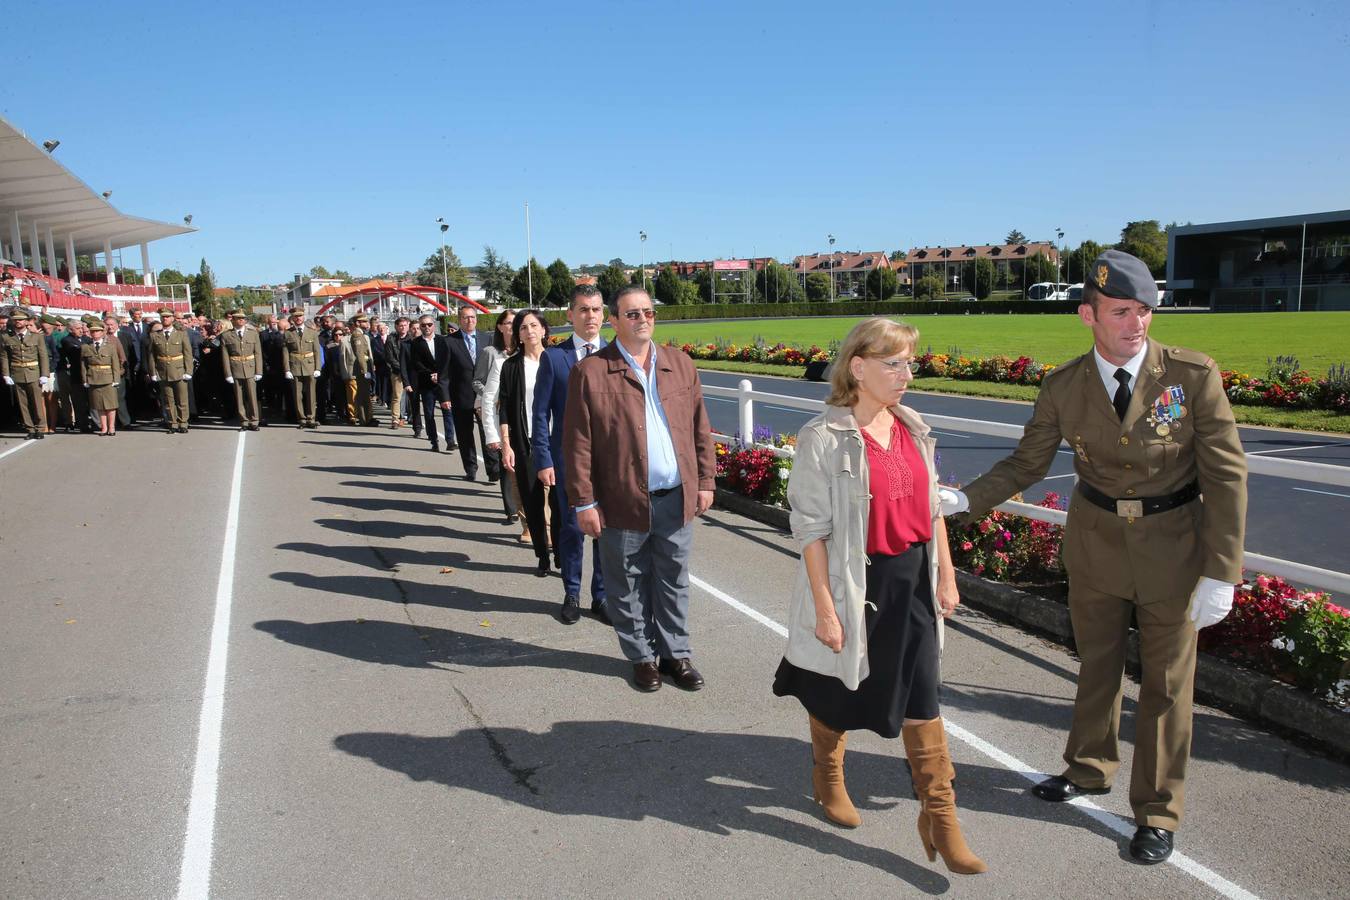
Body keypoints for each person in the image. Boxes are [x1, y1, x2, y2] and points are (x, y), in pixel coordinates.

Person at [953, 249, 1248, 865]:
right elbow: (1026, 463)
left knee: (1167, 687)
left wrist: (1222, 571)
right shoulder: (1063, 385)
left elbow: (1227, 477)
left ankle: (1158, 812)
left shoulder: (1191, 376)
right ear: (1088, 314)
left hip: (1174, 548)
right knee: (1097, 667)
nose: (1136, 323)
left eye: (1143, 310)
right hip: (1095, 544)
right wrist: (962, 498)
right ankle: (1087, 769)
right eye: (1121, 311)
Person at [771, 318, 985, 875]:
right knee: (836, 690)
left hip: (912, 582)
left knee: (923, 696)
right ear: (857, 368)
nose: (906, 374)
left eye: (909, 362)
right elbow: (811, 531)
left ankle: (940, 816)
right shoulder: (824, 436)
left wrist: (946, 574)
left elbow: (933, 508)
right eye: (893, 363)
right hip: (854, 584)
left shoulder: (913, 426)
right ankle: (828, 773)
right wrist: (824, 608)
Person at [563, 286, 716, 693]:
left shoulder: (680, 365)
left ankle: (675, 655)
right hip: (622, 501)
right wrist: (584, 502)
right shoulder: (591, 372)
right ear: (614, 320)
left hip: (675, 497)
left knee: (673, 580)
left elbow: (700, 428)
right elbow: (578, 443)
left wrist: (705, 481)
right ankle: (642, 657)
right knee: (627, 582)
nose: (643, 319)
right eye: (632, 314)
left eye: (648, 312)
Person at [533, 284, 609, 625]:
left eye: (595, 309)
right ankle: (572, 593)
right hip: (568, 462)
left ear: (604, 314)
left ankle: (603, 596)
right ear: (570, 315)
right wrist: (544, 459)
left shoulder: (615, 356)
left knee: (606, 531)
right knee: (571, 528)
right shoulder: (554, 357)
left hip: (609, 464)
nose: (589, 316)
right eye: (583, 309)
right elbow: (540, 413)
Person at [492, 309, 553, 577]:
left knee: (560, 503)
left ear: (543, 330)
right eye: (523, 327)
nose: (529, 331)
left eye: (534, 325)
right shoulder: (511, 365)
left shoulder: (557, 360)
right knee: (532, 500)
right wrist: (506, 444)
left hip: (555, 438)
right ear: (517, 334)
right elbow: (504, 407)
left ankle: (560, 550)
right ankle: (542, 553)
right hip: (525, 441)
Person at [476, 309, 522, 529]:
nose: (512, 327)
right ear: (500, 326)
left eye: (515, 323)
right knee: (507, 467)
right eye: (508, 323)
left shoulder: (528, 351)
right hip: (500, 415)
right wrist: (494, 398)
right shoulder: (492, 353)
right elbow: (479, 383)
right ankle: (512, 509)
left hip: (525, 421)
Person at [444, 305, 491, 480]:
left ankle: (492, 468)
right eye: (465, 317)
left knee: (488, 432)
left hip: (483, 393)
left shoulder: (487, 338)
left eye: (472, 317)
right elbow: (444, 373)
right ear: (459, 320)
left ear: (476, 319)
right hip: (460, 394)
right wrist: (445, 397)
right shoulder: (449, 341)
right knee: (464, 434)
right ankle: (470, 468)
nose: (469, 320)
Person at [408, 315, 456, 453]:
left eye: (429, 324)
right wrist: (431, 374)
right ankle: (434, 440)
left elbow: (448, 360)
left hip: (443, 382)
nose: (426, 327)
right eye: (423, 325)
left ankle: (450, 440)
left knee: (447, 410)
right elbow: (416, 363)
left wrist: (440, 375)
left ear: (434, 325)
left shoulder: (443, 340)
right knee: (429, 414)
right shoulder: (415, 343)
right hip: (426, 383)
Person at [1, 309, 51, 438]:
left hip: (33, 372)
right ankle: (30, 429)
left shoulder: (36, 336)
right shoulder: (7, 337)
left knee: (36, 402)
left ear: (26, 321)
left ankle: (40, 428)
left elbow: (43, 356)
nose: (18, 322)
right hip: (17, 372)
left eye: (21, 319)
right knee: (23, 404)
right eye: (16, 319)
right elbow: (4, 356)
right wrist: (6, 374)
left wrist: (44, 374)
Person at [147, 307, 194, 433]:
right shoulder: (154, 336)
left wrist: (188, 371)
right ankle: (172, 423)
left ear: (172, 319)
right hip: (163, 371)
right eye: (163, 317)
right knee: (168, 400)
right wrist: (153, 372)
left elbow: (188, 354)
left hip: (179, 370)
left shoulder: (181, 334)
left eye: (167, 317)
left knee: (182, 399)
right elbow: (151, 356)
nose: (165, 319)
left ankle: (183, 422)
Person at [221, 309, 263, 431]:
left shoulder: (253, 333)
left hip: (250, 367)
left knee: (252, 396)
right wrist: (228, 373)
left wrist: (259, 371)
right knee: (239, 397)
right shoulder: (226, 335)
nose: (241, 320)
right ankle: (244, 421)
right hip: (235, 368)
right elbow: (225, 356)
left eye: (243, 318)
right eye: (238, 318)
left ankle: (254, 421)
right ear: (232, 320)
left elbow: (258, 353)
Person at [81, 320, 123, 436]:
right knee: (98, 405)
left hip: (108, 378)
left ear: (102, 332)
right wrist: (85, 380)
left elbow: (115, 364)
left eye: (97, 331)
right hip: (93, 378)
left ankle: (112, 427)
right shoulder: (86, 347)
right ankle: (103, 427)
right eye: (92, 331)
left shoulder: (110, 347)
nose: (94, 333)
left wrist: (116, 379)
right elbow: (84, 366)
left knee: (111, 405)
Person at [282, 307, 322, 428]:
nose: (298, 318)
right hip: (295, 366)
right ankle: (302, 419)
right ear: (292, 318)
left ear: (303, 317)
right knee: (297, 395)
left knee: (311, 394)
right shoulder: (288, 333)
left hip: (310, 366)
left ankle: (311, 418)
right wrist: (287, 369)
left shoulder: (312, 332)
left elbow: (316, 352)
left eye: (300, 316)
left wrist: (318, 368)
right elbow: (285, 352)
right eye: (296, 317)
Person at [57, 319, 92, 433]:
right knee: (79, 402)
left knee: (92, 401)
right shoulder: (67, 340)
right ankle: (83, 425)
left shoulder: (87, 339)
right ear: (70, 329)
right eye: (77, 329)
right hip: (76, 375)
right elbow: (78, 350)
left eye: (81, 328)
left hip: (90, 374)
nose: (81, 330)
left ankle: (95, 423)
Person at [384, 317, 414, 430]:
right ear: (396, 327)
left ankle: (412, 417)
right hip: (397, 372)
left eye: (405, 325)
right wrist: (402, 368)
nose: (403, 327)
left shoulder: (412, 339)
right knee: (397, 396)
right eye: (401, 325)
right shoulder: (391, 339)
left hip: (411, 372)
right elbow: (389, 357)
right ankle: (395, 419)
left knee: (412, 396)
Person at [350, 314, 377, 426]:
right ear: (357, 323)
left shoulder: (361, 334)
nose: (367, 324)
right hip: (363, 366)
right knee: (363, 394)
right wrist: (364, 370)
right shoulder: (357, 335)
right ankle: (365, 418)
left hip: (366, 365)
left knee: (363, 393)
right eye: (364, 322)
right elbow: (360, 354)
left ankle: (366, 417)